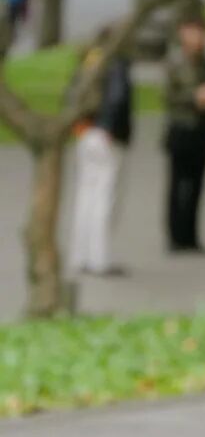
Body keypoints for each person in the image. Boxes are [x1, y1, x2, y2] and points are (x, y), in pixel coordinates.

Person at [67, 27, 133, 276]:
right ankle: (100, 258)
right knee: (105, 198)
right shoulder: (115, 64)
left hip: (85, 132)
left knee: (85, 195)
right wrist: (111, 127)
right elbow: (118, 98)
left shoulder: (88, 60)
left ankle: (80, 255)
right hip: (106, 135)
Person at [164, 13, 205, 253]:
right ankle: (175, 235)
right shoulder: (175, 64)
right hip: (181, 128)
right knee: (178, 183)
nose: (198, 38)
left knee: (198, 184)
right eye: (193, 31)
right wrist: (194, 97)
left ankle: (191, 235)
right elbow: (170, 96)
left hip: (202, 129)